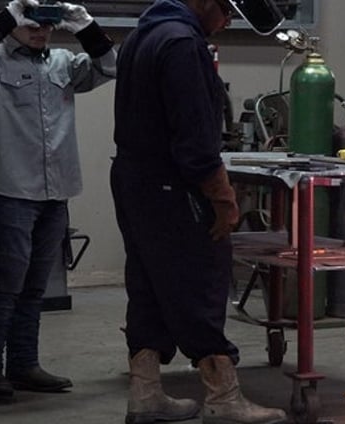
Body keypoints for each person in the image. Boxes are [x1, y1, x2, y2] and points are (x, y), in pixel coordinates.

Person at [111, 0, 287, 423]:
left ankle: (145, 393)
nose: (227, 22)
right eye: (226, 11)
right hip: (175, 186)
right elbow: (192, 136)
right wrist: (224, 199)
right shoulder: (182, 43)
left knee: (149, 283)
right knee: (200, 279)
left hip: (134, 180)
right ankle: (223, 398)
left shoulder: (142, 35)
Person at [0, 0, 116, 401]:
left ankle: (24, 364)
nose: (41, 32)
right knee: (7, 284)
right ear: (15, 24)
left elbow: (111, 66)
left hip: (55, 191)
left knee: (36, 286)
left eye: (48, 26)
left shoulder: (63, 62)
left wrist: (85, 24)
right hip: (10, 192)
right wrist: (5, 18)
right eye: (33, 24)